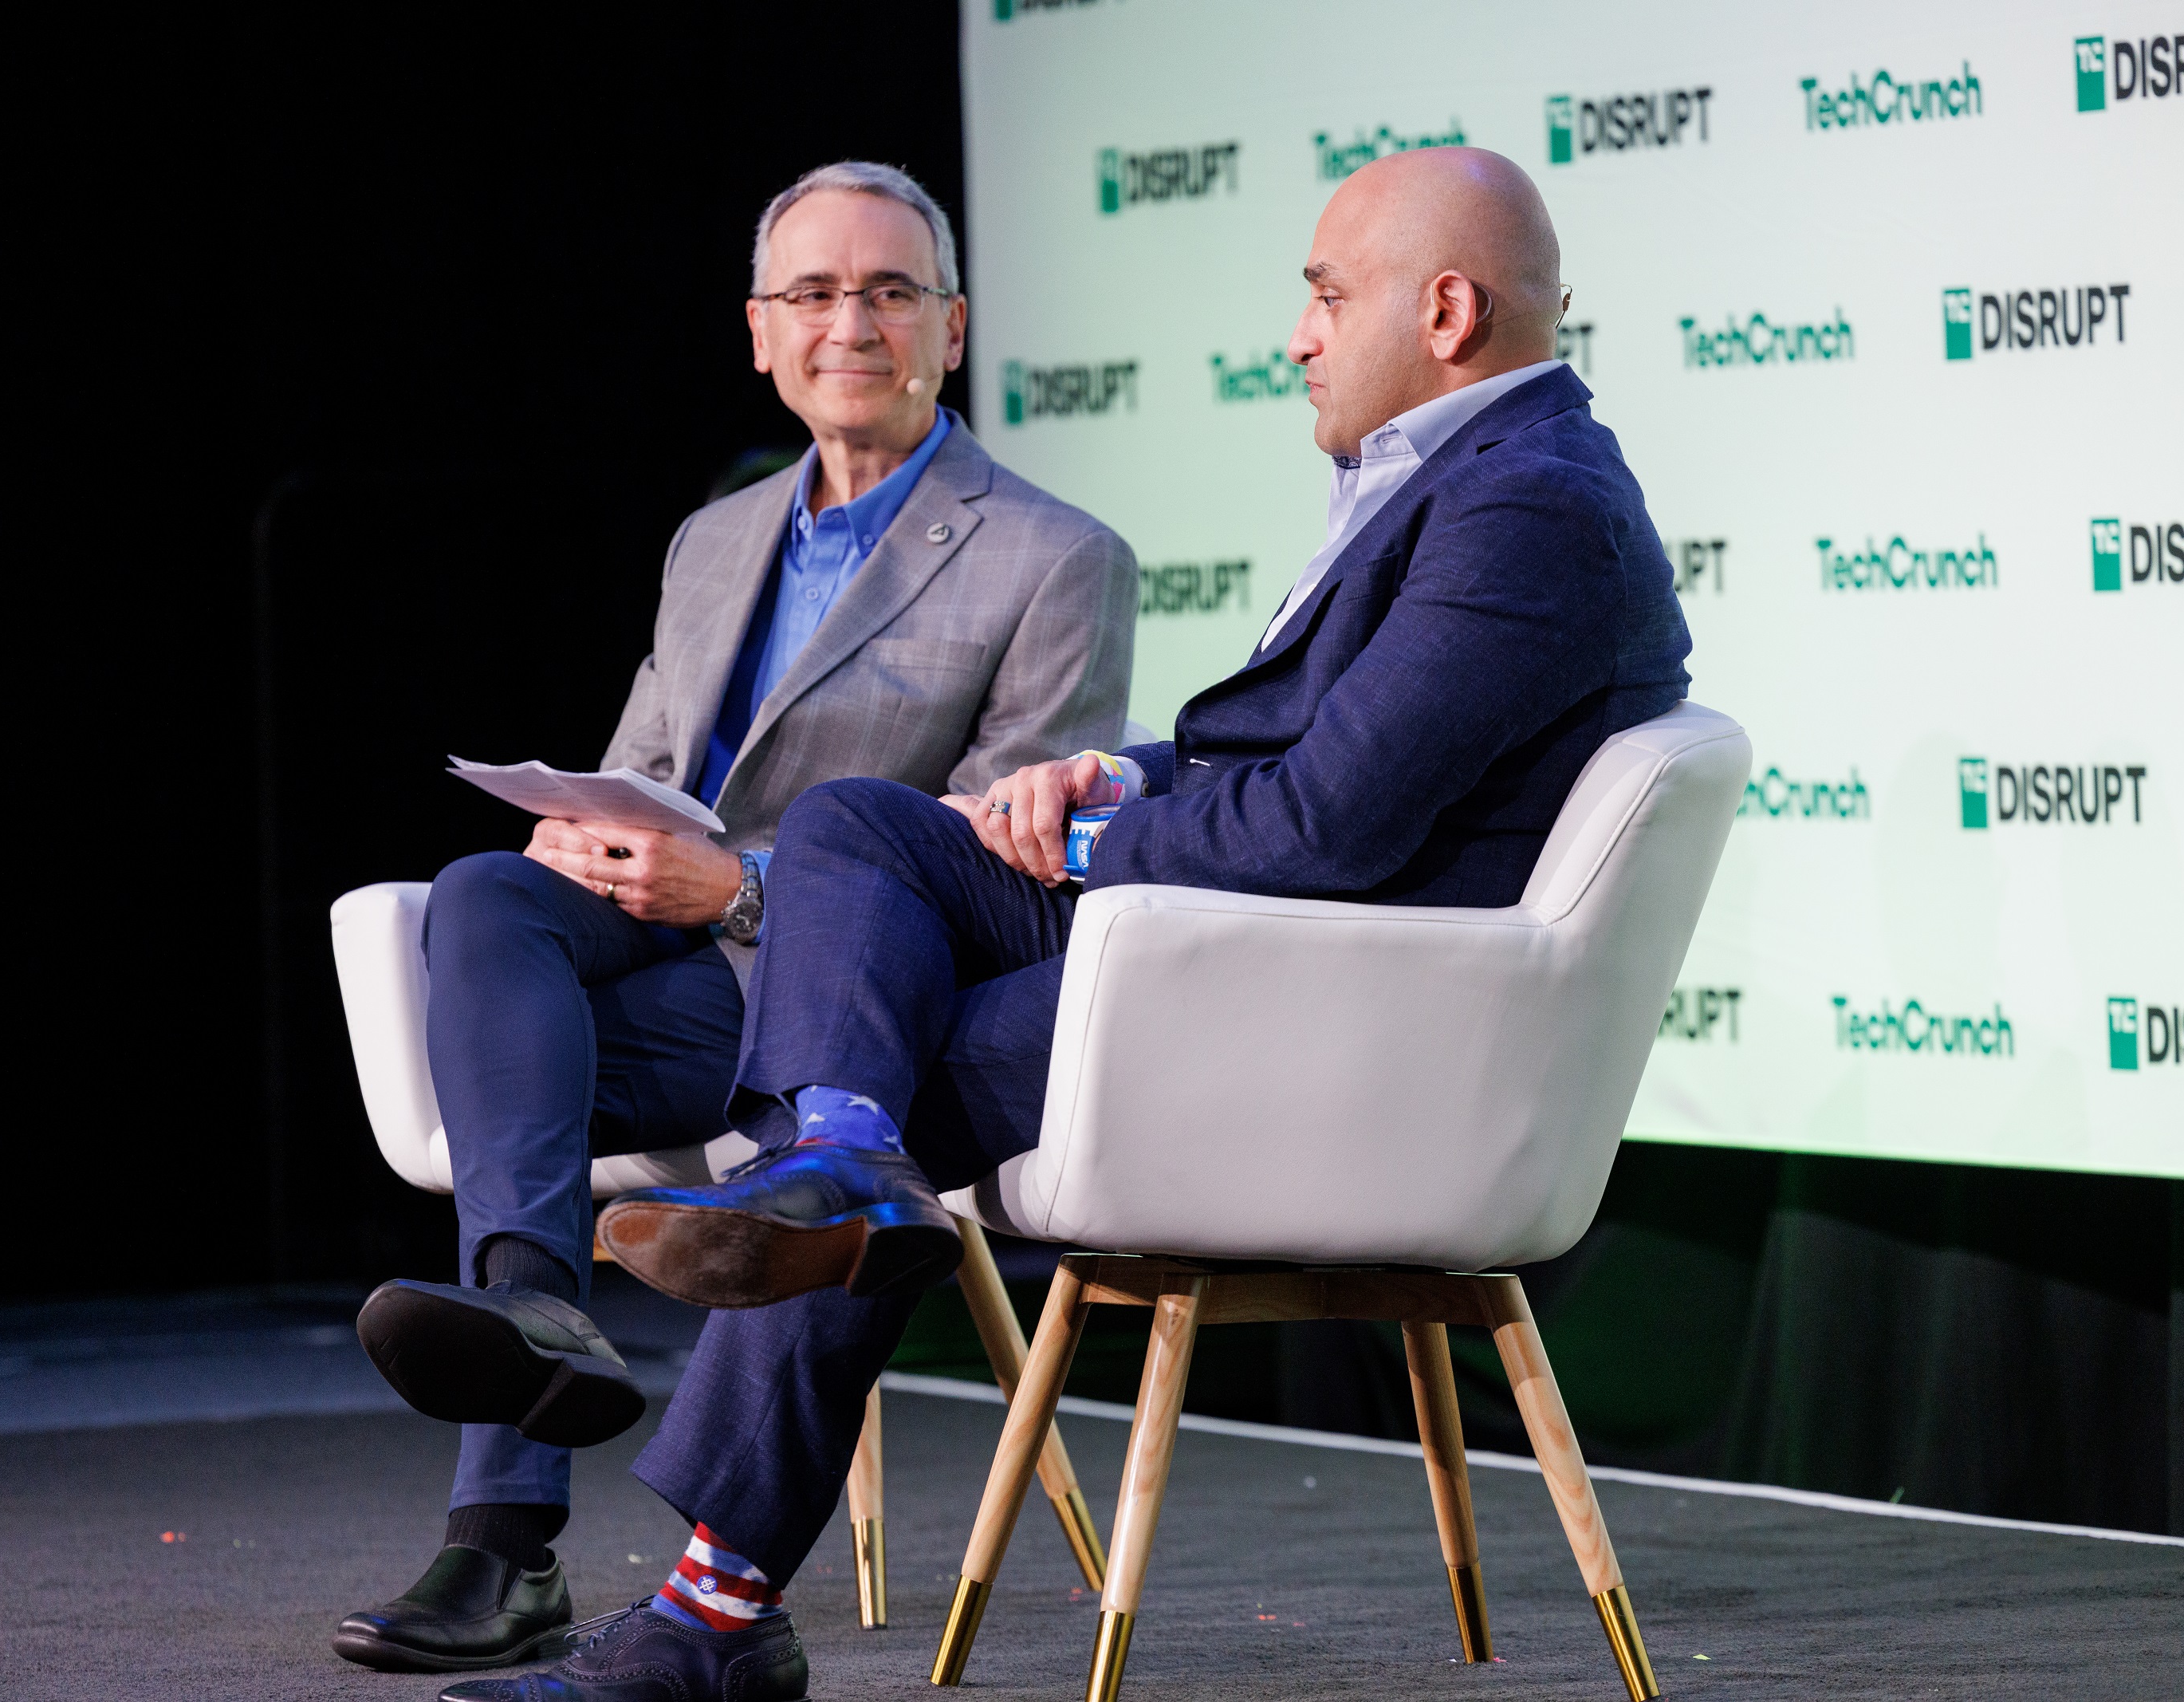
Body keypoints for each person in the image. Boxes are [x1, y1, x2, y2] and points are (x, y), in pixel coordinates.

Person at [488, 146, 1691, 1702]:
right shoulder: (1477, 474)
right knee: (862, 824)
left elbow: (1330, 825)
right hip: (1248, 941)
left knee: (893, 1077)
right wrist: (1108, 769)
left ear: (1445, 308)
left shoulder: (1527, 506)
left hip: (1332, 1000)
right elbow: (1304, 757)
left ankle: (711, 1610)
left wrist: (1091, 842)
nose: (1302, 334)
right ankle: (834, 1142)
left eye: (1326, 294)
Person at [329, 161, 1138, 1677]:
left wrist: (745, 891)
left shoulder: (1056, 556)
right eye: (816, 294)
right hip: (652, 942)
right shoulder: (717, 537)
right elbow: (649, 763)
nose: (855, 323)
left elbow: (997, 875)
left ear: (952, 329)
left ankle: (503, 1545)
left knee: (519, 1055)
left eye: (892, 291)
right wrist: (595, 824)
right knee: (489, 891)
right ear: (761, 333)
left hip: (822, 1005)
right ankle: (531, 1311)